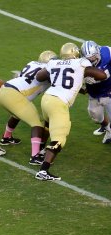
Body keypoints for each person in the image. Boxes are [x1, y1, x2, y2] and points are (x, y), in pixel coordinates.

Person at [34, 43, 107, 181]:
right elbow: (102, 75)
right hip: (59, 102)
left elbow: (39, 76)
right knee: (59, 138)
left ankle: (38, 154)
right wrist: (86, 76)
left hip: (47, 99)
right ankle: (43, 171)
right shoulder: (80, 63)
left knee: (48, 125)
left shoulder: (55, 62)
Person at [0, 50, 57, 165]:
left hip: (3, 90)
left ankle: (6, 137)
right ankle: (35, 156)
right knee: (37, 123)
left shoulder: (33, 63)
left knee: (17, 113)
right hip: (14, 94)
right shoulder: (49, 70)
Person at [80, 40, 111, 143]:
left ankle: (109, 133)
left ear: (98, 51)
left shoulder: (107, 53)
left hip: (109, 91)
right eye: (89, 58)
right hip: (94, 93)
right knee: (95, 115)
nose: (92, 59)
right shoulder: (80, 64)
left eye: (93, 56)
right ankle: (106, 127)